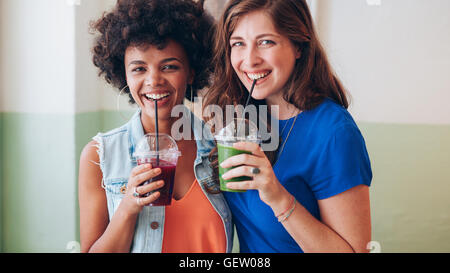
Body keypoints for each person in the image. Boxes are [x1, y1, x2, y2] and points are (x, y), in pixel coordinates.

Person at [203, 0, 372, 253]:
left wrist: (277, 197)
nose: (250, 60)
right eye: (238, 43)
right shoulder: (241, 115)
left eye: (266, 42)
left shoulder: (334, 133)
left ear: (298, 46)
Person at [78, 0, 233, 253]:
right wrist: (128, 206)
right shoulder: (98, 156)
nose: (153, 81)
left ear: (191, 72)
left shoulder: (219, 147)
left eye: (169, 66)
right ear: (123, 74)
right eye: (139, 68)